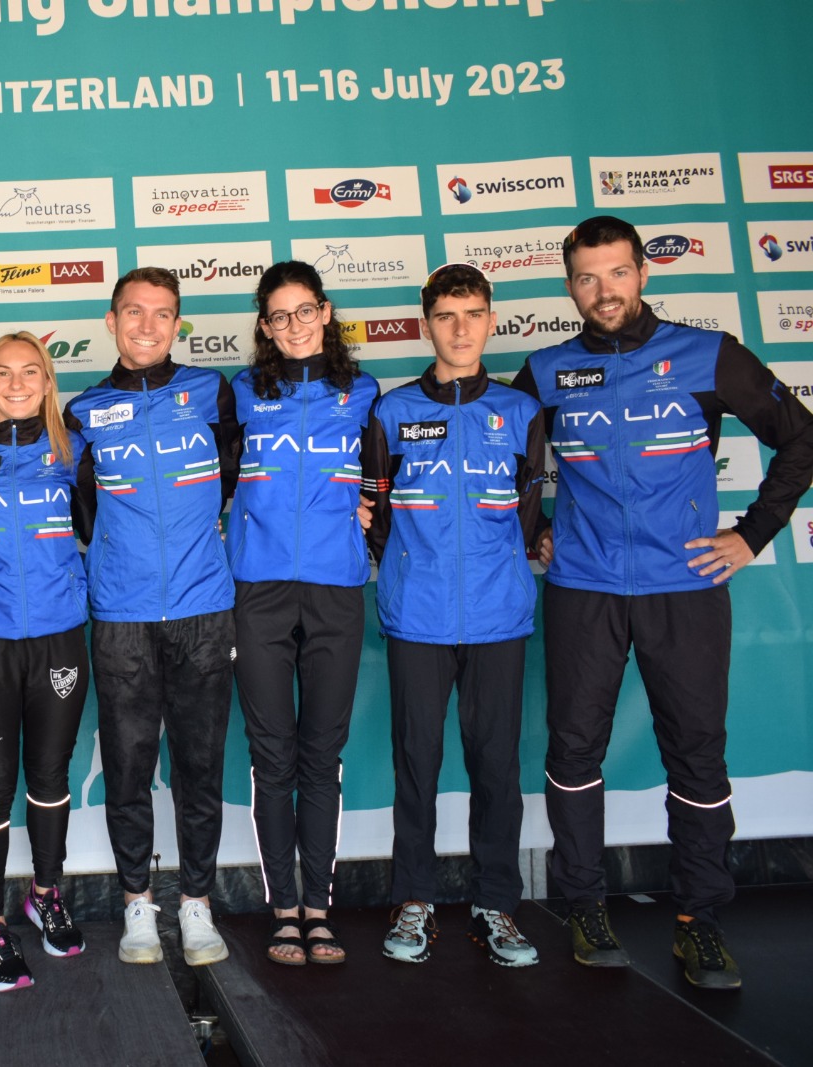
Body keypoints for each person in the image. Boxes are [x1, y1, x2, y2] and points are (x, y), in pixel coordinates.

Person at [514, 216, 813, 989]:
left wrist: (751, 534)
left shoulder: (707, 354)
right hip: (583, 588)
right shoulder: (545, 370)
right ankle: (585, 905)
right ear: (570, 285)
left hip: (685, 586)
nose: (604, 290)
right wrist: (534, 528)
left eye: (617, 272)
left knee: (697, 750)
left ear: (643, 273)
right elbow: (511, 462)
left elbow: (802, 437)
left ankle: (699, 919)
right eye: (587, 277)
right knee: (573, 749)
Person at [361, 263, 546, 968]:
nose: (460, 329)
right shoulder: (391, 411)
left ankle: (497, 904)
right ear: (426, 324)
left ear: (491, 320)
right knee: (417, 761)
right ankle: (414, 897)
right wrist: (409, 570)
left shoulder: (522, 411)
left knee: (496, 765)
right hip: (418, 614)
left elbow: (528, 513)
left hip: (499, 615)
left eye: (473, 314)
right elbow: (378, 517)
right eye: (446, 316)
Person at [64, 266, 239, 967]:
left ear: (177, 323)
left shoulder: (212, 391)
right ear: (112, 321)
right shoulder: (83, 410)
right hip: (122, 614)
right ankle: (137, 902)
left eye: (162, 313)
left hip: (204, 609)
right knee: (129, 766)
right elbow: (80, 509)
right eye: (133, 312)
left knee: (200, 766)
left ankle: (197, 903)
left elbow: (235, 477)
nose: (147, 325)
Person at [228, 261, 378, 965]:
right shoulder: (238, 393)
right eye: (279, 315)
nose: (294, 325)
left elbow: (390, 480)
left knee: (322, 754)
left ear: (325, 311)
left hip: (335, 589)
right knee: (273, 756)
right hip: (257, 590)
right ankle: (283, 908)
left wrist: (369, 514)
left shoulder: (365, 392)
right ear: (264, 326)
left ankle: (319, 906)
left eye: (304, 310)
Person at [0, 332, 90, 992]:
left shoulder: (75, 451)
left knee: (50, 775)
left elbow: (107, 524)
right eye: (2, 373)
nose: (17, 383)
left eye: (30, 371)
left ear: (48, 381)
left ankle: (46, 893)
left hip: (58, 638)